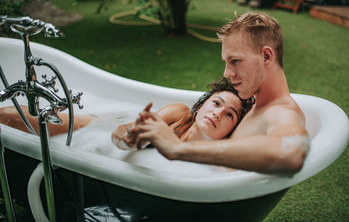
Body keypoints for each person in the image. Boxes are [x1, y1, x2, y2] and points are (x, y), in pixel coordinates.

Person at [114, 11, 310, 174]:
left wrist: (178, 148)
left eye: (235, 61)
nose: (227, 73)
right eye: (226, 62)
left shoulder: (281, 112)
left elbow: (291, 152)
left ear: (266, 56)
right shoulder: (256, 108)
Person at [0, 78, 254, 144]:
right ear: (201, 106)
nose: (218, 114)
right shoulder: (180, 114)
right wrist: (130, 136)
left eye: (230, 115)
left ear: (231, 130)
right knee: (28, 120)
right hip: (105, 126)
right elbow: (128, 129)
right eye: (217, 103)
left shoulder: (214, 156)